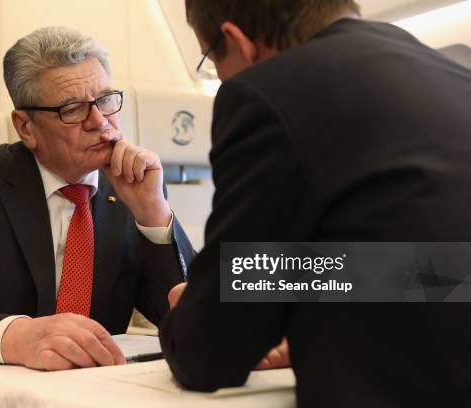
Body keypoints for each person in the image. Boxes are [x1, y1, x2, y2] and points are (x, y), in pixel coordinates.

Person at [160, 1, 471, 406]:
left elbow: (207, 354)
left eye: (209, 58)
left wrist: (198, 306)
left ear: (236, 41)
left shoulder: (268, 92)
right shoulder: (456, 72)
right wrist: (308, 296)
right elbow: (444, 271)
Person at [0, 26, 194, 393]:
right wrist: (15, 336)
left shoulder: (133, 188)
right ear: (26, 127)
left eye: (105, 100)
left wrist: (153, 214)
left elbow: (194, 319)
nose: (99, 122)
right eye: (72, 109)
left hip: (76, 394)